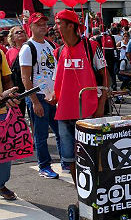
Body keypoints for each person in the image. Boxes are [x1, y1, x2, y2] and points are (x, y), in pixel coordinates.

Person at [53, 9, 107, 183]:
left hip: (88, 113)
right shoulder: (59, 51)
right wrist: (53, 98)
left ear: (70, 26)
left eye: (58, 23)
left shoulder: (91, 47)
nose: (55, 27)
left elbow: (105, 76)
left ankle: (96, 192)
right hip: (64, 114)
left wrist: (100, 105)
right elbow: (58, 81)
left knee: (92, 158)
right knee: (70, 161)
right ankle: (81, 196)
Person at [20, 13, 64, 178]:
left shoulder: (50, 44)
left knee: (60, 131)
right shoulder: (28, 48)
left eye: (45, 24)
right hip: (38, 96)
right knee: (41, 135)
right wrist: (34, 102)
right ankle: (44, 166)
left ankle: (65, 162)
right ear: (30, 27)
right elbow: (26, 77)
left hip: (53, 96)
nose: (43, 27)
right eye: (39, 24)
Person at [0, 53, 19, 201]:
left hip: (1, 112)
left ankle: (0, 184)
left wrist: (8, 96)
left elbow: (7, 80)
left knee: (5, 154)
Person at [6, 26, 28, 115]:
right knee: (20, 113)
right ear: (12, 38)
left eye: (22, 31)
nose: (20, 33)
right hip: (17, 87)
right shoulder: (10, 52)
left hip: (29, 84)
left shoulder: (29, 48)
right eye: (17, 32)